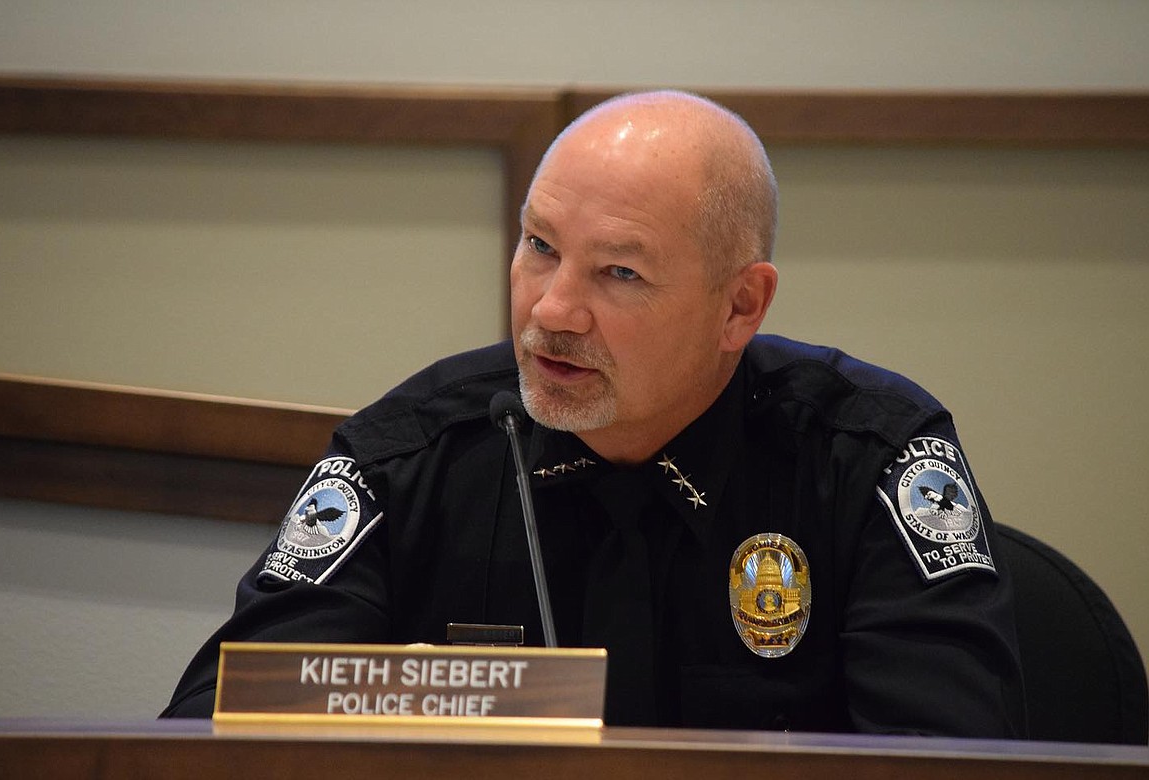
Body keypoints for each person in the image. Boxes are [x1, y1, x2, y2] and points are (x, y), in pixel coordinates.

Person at [162, 91, 1027, 736]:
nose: (551, 312)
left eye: (619, 274)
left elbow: (947, 758)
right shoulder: (406, 460)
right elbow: (217, 731)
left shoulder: (869, 460)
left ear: (739, 308)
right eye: (539, 247)